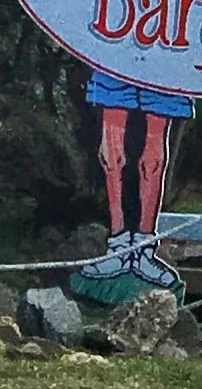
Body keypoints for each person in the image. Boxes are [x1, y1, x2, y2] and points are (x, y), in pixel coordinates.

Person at [67, 73, 190, 304]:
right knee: (111, 145)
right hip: (116, 57)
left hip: (163, 60)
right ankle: (119, 244)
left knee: (154, 147)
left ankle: (143, 247)